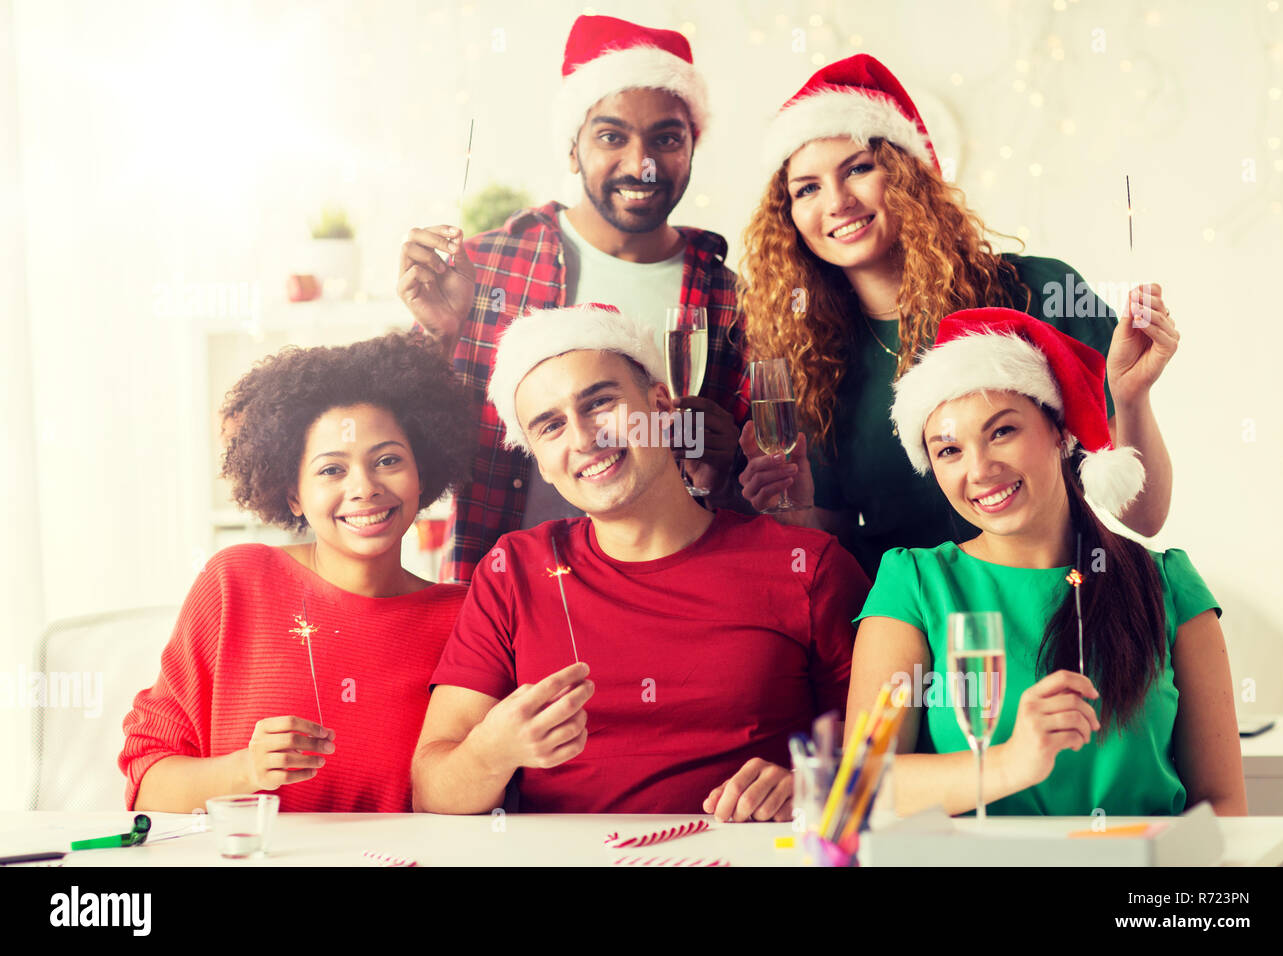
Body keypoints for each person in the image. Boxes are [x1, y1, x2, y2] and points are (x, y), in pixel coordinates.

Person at [410, 304, 868, 820]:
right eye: (550, 426)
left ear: (661, 406)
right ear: (537, 456)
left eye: (600, 402)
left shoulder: (807, 565)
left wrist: (813, 787)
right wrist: (491, 752)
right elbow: (432, 792)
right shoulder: (512, 571)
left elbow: (889, 757)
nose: (584, 438)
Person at [736, 54, 1178, 580]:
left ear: (905, 176)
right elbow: (832, 546)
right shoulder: (811, 357)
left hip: (1053, 599)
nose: (835, 201)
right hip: (907, 621)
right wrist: (794, 511)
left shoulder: (1034, 290)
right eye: (806, 188)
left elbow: (1145, 518)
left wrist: (1131, 396)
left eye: (857, 168)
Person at [847, 307, 1245, 817]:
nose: (980, 470)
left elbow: (1224, 805)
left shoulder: (1169, 585)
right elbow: (864, 786)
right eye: (948, 451)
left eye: (1001, 432)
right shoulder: (914, 584)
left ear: (1060, 433)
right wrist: (1011, 763)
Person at [398, 14, 749, 585]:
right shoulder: (486, 268)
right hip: (507, 600)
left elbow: (748, 490)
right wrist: (438, 336)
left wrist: (725, 465)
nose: (642, 164)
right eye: (612, 136)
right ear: (572, 149)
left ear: (692, 147)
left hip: (673, 593)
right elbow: (405, 454)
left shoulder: (725, 297)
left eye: (667, 138)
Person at [120, 332, 476, 813]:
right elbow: (148, 790)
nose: (364, 488)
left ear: (422, 474)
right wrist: (246, 768)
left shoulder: (464, 617)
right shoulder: (236, 582)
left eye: (387, 461)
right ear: (293, 495)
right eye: (332, 470)